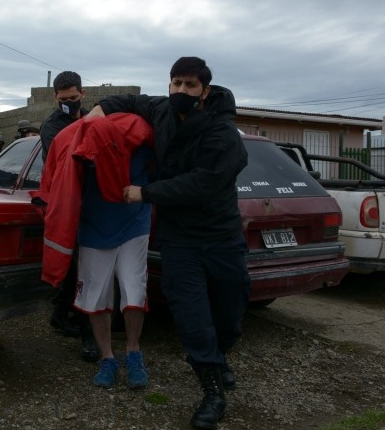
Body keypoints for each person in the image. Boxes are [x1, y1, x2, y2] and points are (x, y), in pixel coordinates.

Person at [86, 56, 251, 429]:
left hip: (220, 235)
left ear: (204, 92)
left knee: (230, 313)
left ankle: (219, 357)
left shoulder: (222, 133)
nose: (181, 91)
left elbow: (203, 182)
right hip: (179, 240)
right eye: (176, 83)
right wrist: (98, 110)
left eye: (190, 85)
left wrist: (146, 192)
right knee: (192, 318)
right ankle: (211, 390)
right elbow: (127, 100)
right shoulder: (160, 110)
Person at [74, 142, 154, 389]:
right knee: (96, 294)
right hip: (94, 225)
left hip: (134, 223)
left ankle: (133, 352)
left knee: (134, 288)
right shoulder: (83, 139)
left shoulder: (143, 139)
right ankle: (107, 358)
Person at [38, 70, 98, 362]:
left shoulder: (92, 119)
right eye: (63, 100)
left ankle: (63, 314)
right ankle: (66, 316)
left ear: (82, 95)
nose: (69, 104)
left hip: (91, 201)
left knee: (82, 265)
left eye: (73, 99)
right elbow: (66, 157)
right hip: (65, 200)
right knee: (71, 263)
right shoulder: (52, 127)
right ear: (55, 98)